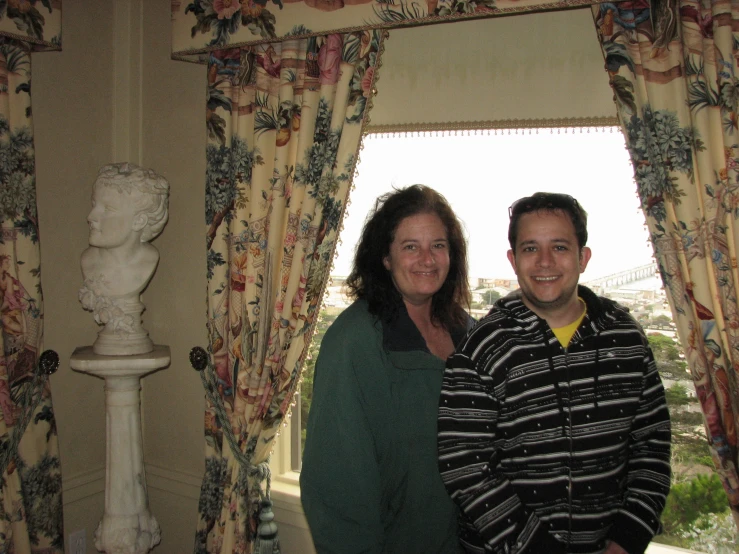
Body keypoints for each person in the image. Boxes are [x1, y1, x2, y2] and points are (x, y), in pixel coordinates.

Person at [438, 192, 671, 554]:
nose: (545, 262)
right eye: (530, 248)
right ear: (513, 260)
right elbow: (465, 463)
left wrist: (627, 539)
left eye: (560, 247)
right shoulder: (481, 348)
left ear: (584, 257)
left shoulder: (625, 338)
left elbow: (652, 445)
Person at [300, 185, 473, 553]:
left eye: (438, 245)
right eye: (410, 246)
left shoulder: (467, 332)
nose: (427, 259)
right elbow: (337, 488)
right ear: (386, 258)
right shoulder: (355, 342)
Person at [79, 162, 169, 355]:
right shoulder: (88, 261)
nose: (91, 216)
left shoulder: (148, 260)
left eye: (108, 209)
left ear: (139, 221)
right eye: (94, 205)